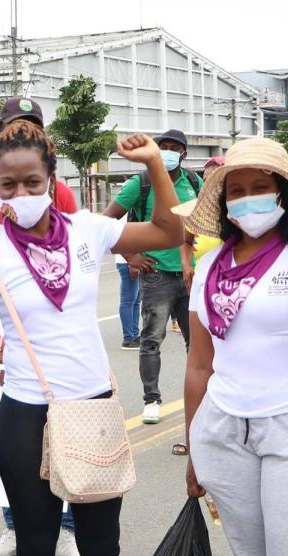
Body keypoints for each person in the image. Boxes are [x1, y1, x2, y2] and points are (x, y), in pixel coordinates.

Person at [0, 122, 184, 556]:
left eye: (32, 182)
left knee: (102, 551)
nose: (20, 192)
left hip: (92, 407)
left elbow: (168, 232)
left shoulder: (89, 230)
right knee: (36, 550)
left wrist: (154, 164)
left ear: (52, 181)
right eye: (8, 184)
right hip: (25, 416)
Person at [181, 138, 288, 556]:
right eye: (235, 191)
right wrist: (195, 448)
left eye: (259, 186)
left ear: (283, 193)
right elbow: (200, 364)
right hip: (221, 431)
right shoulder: (209, 265)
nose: (247, 198)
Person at [0, 97, 82, 556]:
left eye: (31, 128)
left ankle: (66, 532)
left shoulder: (59, 192)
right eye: (13, 127)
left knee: (64, 437)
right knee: (13, 441)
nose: (20, 135)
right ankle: (15, 526)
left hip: (49, 333)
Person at [103, 129, 202, 424]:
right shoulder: (141, 183)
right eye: (164, 147)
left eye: (175, 148)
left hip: (190, 274)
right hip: (156, 274)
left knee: (196, 343)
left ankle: (199, 398)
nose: (169, 151)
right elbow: (104, 223)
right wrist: (130, 255)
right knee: (151, 340)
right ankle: (152, 400)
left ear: (184, 154)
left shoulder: (195, 182)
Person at [0, 97, 78, 267]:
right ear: (1, 134)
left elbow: (74, 255)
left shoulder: (62, 194)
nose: (23, 132)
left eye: (33, 128)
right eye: (14, 127)